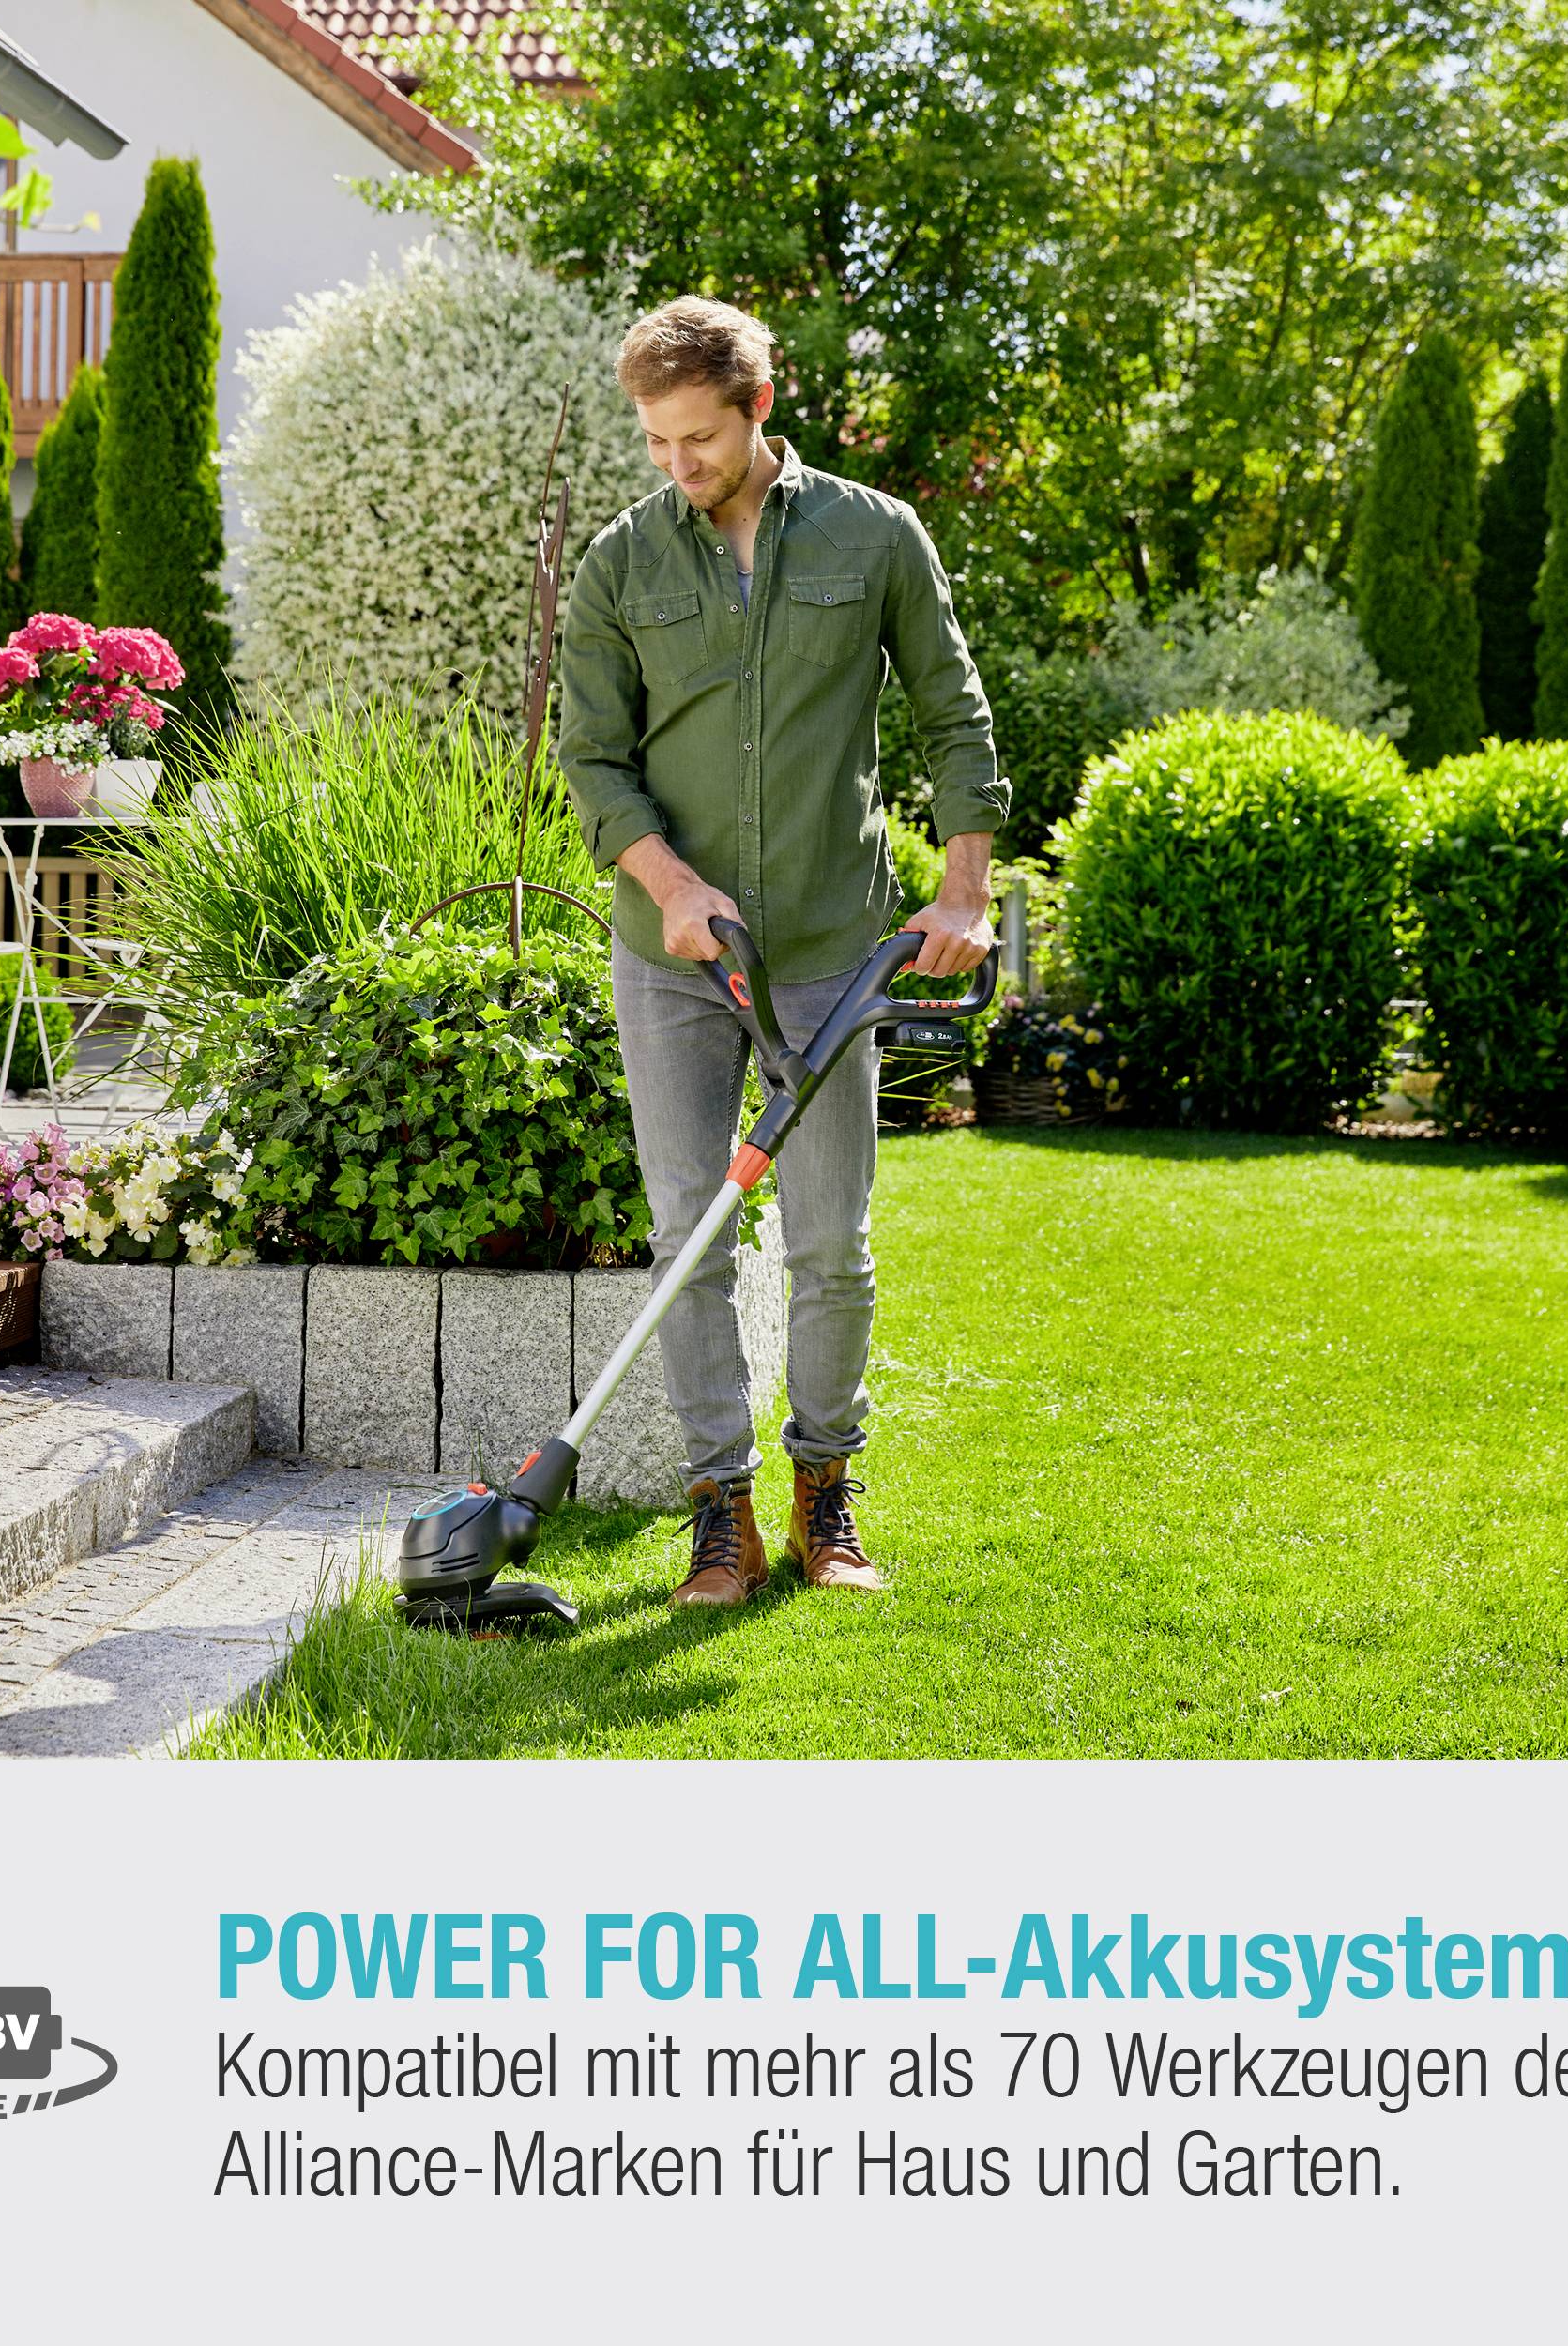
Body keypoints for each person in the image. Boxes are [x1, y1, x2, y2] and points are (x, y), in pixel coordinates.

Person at [558, 295, 1006, 1609]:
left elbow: (955, 714)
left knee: (830, 1243)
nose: (676, 464)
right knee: (686, 1238)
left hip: (824, 948)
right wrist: (672, 884)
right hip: (675, 956)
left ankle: (826, 1493)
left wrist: (963, 891)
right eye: (655, 441)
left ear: (758, 408)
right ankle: (721, 1514)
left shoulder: (875, 534)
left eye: (697, 437)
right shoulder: (621, 563)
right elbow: (594, 761)